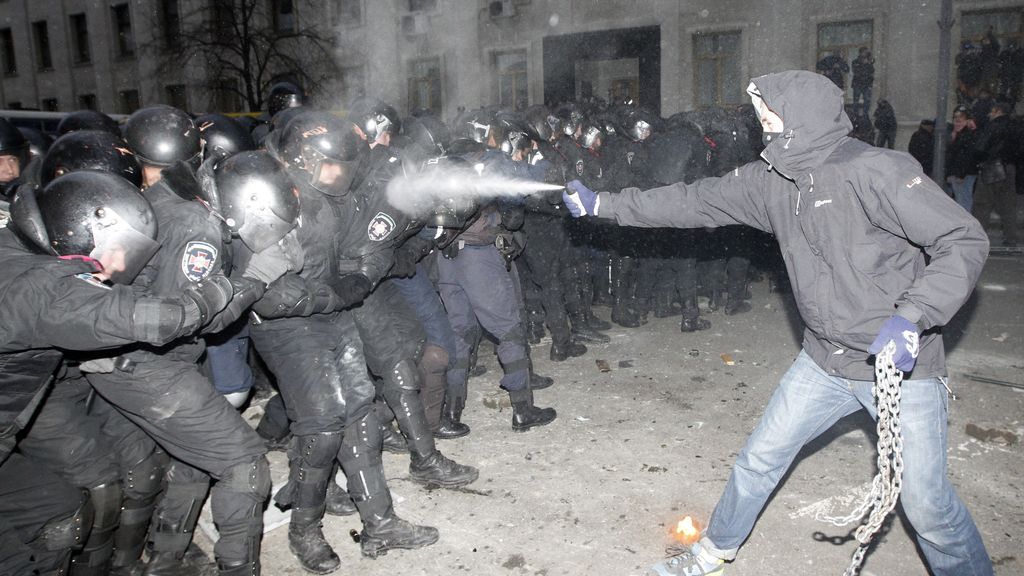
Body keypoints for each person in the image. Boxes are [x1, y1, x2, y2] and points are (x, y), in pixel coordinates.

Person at [564, 69, 992, 576]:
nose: (760, 119)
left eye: (768, 110)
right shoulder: (769, 181)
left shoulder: (877, 170)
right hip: (824, 361)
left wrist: (914, 315)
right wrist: (605, 204)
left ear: (798, 115)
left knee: (928, 508)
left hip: (899, 367)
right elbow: (691, 200)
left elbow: (963, 240)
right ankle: (710, 554)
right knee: (758, 461)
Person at [972, 101, 1021, 247]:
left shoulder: (993, 127)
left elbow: (980, 149)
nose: (989, 114)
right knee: (1008, 206)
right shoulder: (1016, 127)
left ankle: (977, 238)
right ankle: (1011, 238)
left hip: (992, 168)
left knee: (982, 204)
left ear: (998, 111)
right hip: (1010, 168)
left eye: (992, 111)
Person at [945, 106, 980, 212]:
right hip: (960, 173)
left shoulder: (967, 135)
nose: (957, 122)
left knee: (963, 201)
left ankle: (966, 225)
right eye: (955, 119)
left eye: (960, 120)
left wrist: (960, 174)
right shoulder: (959, 134)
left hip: (963, 174)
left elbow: (966, 156)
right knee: (962, 200)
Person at [850, 47, 875, 117]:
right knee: (856, 100)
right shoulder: (855, 62)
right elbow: (857, 72)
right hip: (857, 83)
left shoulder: (869, 61)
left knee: (867, 100)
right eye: (864, 52)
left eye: (866, 52)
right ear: (861, 53)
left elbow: (872, 71)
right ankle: (855, 115)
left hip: (867, 84)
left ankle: (865, 114)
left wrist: (869, 63)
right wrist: (864, 64)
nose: (866, 54)